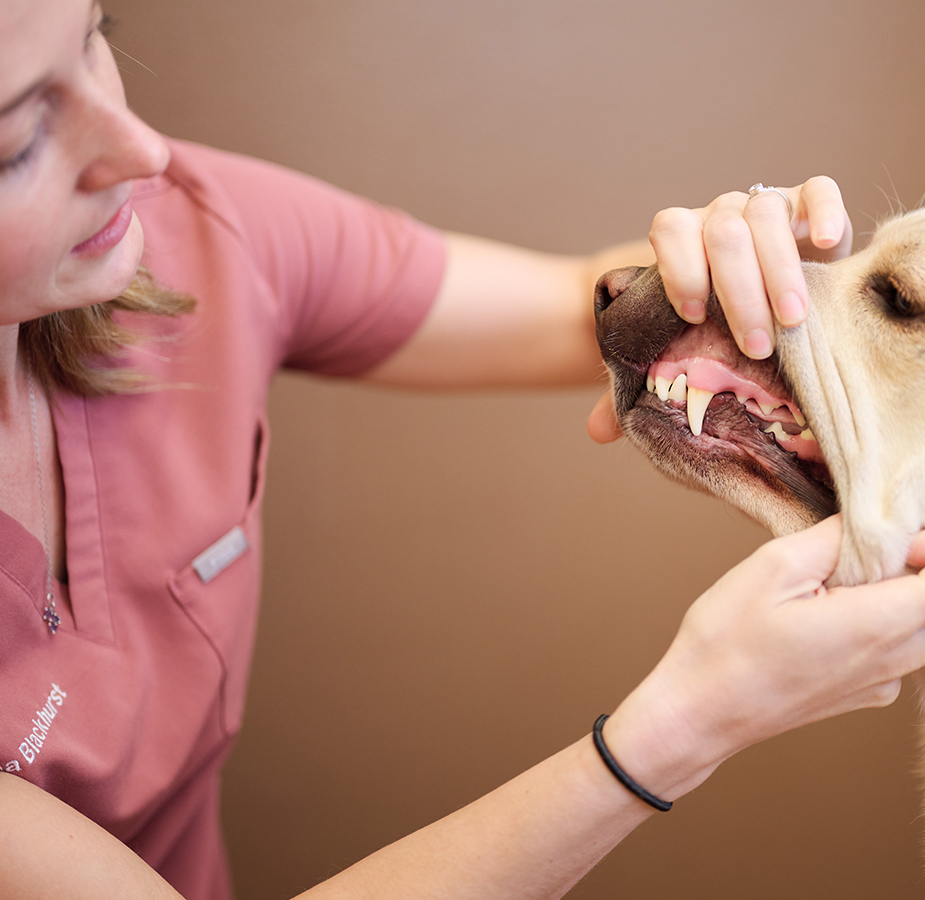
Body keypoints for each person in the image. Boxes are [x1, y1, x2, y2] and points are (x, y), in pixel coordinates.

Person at [2, 2, 925, 899]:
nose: (142, 149)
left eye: (95, 40)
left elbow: (585, 303)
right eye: (14, 140)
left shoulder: (200, 228)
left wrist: (717, 268)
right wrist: (680, 726)